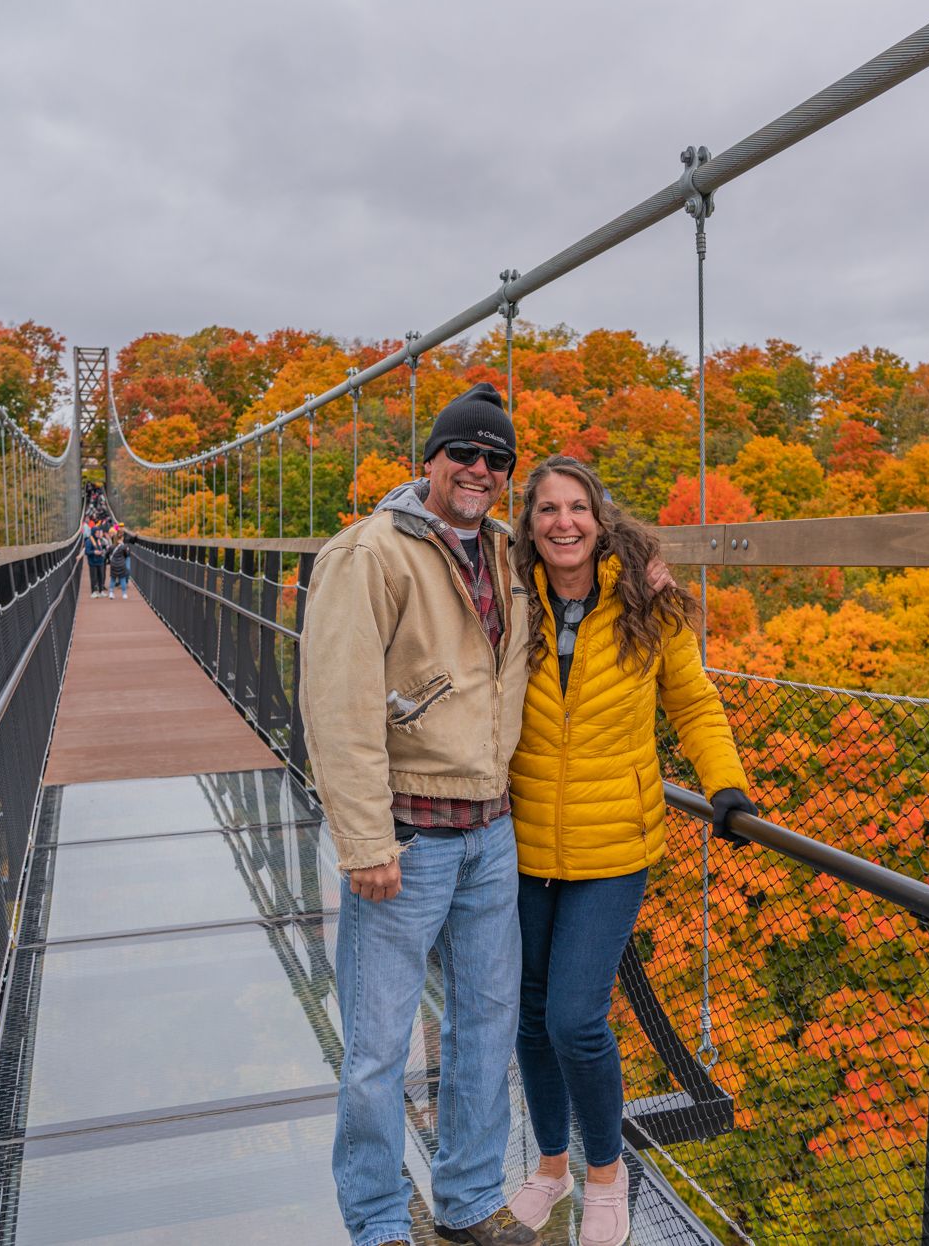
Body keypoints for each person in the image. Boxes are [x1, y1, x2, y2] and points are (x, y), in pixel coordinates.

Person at [301, 384, 538, 1246]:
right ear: (428, 462)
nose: (479, 470)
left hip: (492, 829)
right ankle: (374, 1220)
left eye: (496, 459)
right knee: (377, 1047)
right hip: (406, 836)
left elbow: (591, 552)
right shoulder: (370, 555)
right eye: (463, 454)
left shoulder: (510, 552)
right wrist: (364, 840)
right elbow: (336, 703)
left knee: (485, 1029)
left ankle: (469, 1200)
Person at [502, 456, 749, 1246]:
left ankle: (605, 1175)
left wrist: (727, 788)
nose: (563, 523)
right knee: (528, 1022)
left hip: (614, 845)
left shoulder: (648, 602)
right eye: (547, 509)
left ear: (601, 521)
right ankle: (550, 1167)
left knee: (576, 1018)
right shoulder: (505, 600)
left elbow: (693, 702)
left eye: (578, 508)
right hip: (520, 838)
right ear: (528, 523)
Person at [84, 524, 107, 597]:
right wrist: (94, 552)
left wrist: (102, 552)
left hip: (100, 561)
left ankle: (101, 591)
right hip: (93, 562)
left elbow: (101, 548)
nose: (98, 534)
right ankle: (93, 592)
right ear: (93, 533)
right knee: (93, 577)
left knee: (101, 576)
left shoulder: (99, 540)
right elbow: (87, 552)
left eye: (99, 532)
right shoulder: (89, 541)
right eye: (97, 532)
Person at [108, 528, 132, 598]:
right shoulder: (124, 546)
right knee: (122, 579)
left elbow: (107, 553)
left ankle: (111, 593)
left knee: (113, 579)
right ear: (122, 538)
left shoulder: (112, 546)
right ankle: (124, 594)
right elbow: (127, 554)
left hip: (113, 564)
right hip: (121, 564)